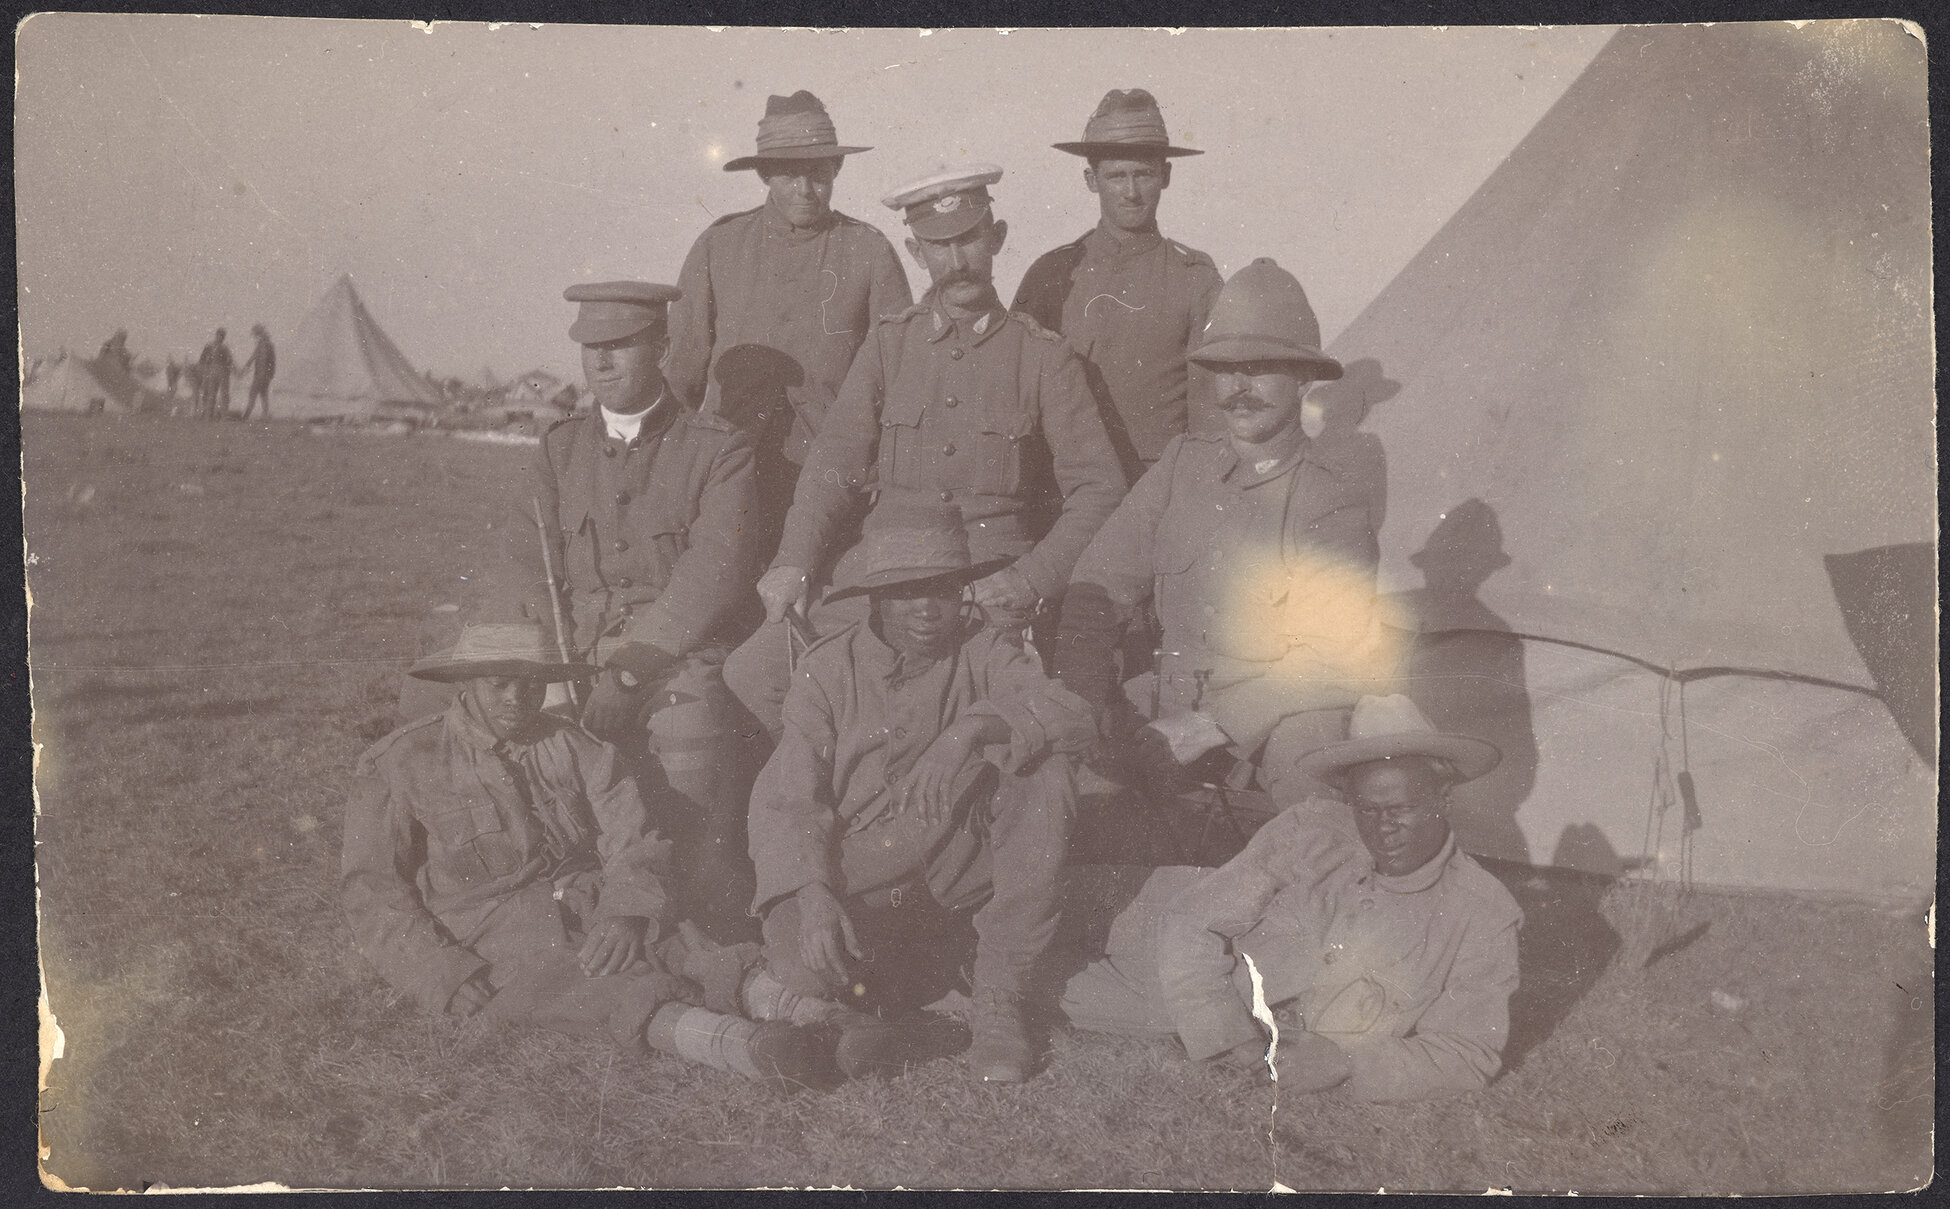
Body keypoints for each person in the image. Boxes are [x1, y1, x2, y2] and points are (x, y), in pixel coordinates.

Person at [726, 165, 1126, 737]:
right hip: (880, 577)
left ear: (998, 238)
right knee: (755, 672)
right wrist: (794, 561)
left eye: (969, 239)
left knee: (959, 710)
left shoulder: (1041, 357)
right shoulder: (891, 344)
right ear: (916, 253)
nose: (958, 261)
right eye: (939, 246)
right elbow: (833, 464)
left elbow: (1100, 488)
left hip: (985, 589)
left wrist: (1032, 579)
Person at [340, 623, 824, 1087]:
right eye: (499, 685)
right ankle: (737, 1046)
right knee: (575, 987)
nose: (516, 699)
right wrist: (438, 971)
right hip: (490, 927)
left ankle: (814, 1016)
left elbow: (634, 836)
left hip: (588, 898)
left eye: (530, 685)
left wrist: (626, 913)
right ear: (464, 685)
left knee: (679, 943)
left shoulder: (573, 744)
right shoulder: (402, 762)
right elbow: (372, 890)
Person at [742, 503, 1097, 1082]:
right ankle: (921, 1001)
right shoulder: (827, 670)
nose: (927, 609)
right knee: (805, 962)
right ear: (876, 597)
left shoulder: (984, 649)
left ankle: (998, 999)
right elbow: (791, 798)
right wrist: (814, 898)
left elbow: (1074, 716)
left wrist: (970, 730)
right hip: (863, 863)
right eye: (907, 592)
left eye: (943, 589)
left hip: (958, 857)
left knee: (1041, 773)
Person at [1058, 694, 1522, 1101]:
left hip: (1150, 988)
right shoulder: (1312, 831)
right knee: (1013, 925)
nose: (1384, 827)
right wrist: (1231, 1038)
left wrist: (1346, 1061)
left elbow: (1469, 1053)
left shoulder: (1482, 911)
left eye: (1403, 809)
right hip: (1144, 916)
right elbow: (1191, 920)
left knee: (1034, 980)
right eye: (1368, 809)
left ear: (1444, 800)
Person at [1051, 258, 1398, 802]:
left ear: (1303, 378)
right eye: (1225, 369)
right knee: (1052, 766)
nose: (1238, 387)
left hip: (1274, 715)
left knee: (1308, 775)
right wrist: (1088, 702)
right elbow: (1095, 591)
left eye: (1260, 369)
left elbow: (1335, 656)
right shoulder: (1180, 467)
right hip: (1165, 701)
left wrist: (1214, 725)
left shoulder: (1331, 497)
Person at [498, 281, 762, 942]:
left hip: (673, 659)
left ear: (663, 348)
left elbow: (713, 575)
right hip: (573, 652)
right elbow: (531, 565)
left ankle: (691, 919)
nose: (601, 363)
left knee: (689, 742)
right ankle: (569, 904)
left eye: (620, 346)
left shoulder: (718, 448)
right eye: (591, 347)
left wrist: (626, 671)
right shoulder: (559, 449)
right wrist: (549, 674)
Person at [665, 90, 913, 568]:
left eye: (818, 173)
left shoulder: (868, 252)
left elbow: (900, 378)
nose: (805, 188)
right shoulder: (720, 246)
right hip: (727, 478)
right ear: (764, 174)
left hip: (830, 481)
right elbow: (683, 373)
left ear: (836, 171)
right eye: (789, 173)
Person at [1013, 88, 1224, 485]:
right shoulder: (1050, 274)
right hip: (1062, 489)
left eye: (1143, 174)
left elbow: (1209, 415)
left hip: (1154, 488)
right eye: (1116, 176)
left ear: (1165, 176)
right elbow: (1013, 391)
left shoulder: (1196, 278)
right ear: (1092, 180)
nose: (1130, 192)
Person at [196, 328, 234, 420]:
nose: (220, 338)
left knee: (216, 395)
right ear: (217, 335)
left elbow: (229, 361)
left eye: (222, 336)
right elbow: (202, 360)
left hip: (216, 372)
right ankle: (212, 416)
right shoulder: (216, 347)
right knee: (215, 394)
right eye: (220, 335)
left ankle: (214, 416)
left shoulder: (219, 347)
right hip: (216, 371)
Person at [240, 324, 276, 419]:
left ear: (259, 334)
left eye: (256, 334)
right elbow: (272, 361)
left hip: (260, 374)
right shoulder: (269, 345)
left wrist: (246, 368)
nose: (255, 337)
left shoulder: (262, 344)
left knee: (253, 392)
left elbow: (255, 357)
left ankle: (246, 415)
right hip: (267, 375)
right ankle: (265, 415)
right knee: (264, 394)